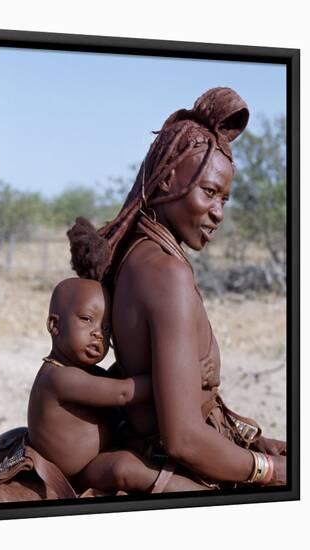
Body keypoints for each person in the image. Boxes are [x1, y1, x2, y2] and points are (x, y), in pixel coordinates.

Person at [67, 87, 287, 490]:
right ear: (168, 178)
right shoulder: (165, 272)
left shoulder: (140, 253)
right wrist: (269, 471)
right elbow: (183, 437)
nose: (219, 212)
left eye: (225, 198)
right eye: (208, 192)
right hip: (168, 463)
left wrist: (254, 444)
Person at [27, 277, 210, 494]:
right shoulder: (59, 377)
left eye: (106, 329)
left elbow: (112, 383)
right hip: (78, 472)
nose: (98, 333)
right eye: (87, 319)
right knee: (124, 467)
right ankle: (203, 495)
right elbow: (123, 393)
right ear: (55, 325)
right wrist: (181, 376)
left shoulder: (81, 371)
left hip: (95, 458)